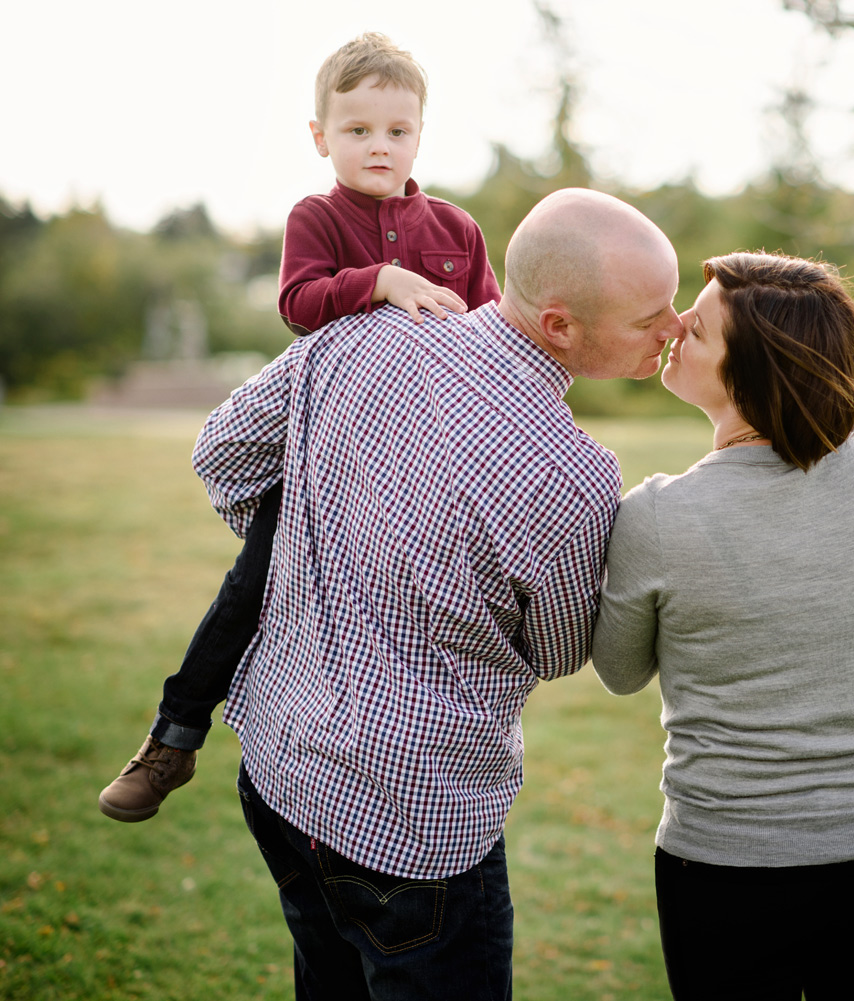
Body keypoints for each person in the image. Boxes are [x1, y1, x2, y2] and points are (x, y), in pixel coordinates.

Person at [187, 188, 680, 999]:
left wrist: (329, 543)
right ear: (560, 325)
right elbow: (557, 652)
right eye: (650, 316)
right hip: (416, 824)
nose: (675, 328)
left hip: (280, 765)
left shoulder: (356, 337)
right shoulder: (572, 474)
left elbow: (224, 456)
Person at [99, 32, 501, 822]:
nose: (378, 146)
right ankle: (174, 737)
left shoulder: (458, 229)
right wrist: (380, 280)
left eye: (397, 130)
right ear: (321, 137)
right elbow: (299, 305)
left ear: (421, 132)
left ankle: (394, 769)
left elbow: (491, 331)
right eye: (357, 130)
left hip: (424, 462)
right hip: (322, 454)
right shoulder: (314, 218)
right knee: (252, 584)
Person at [590, 252, 854, 1000]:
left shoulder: (655, 515)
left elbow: (620, 670)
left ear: (751, 369)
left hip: (723, 862)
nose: (674, 326)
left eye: (696, 329)